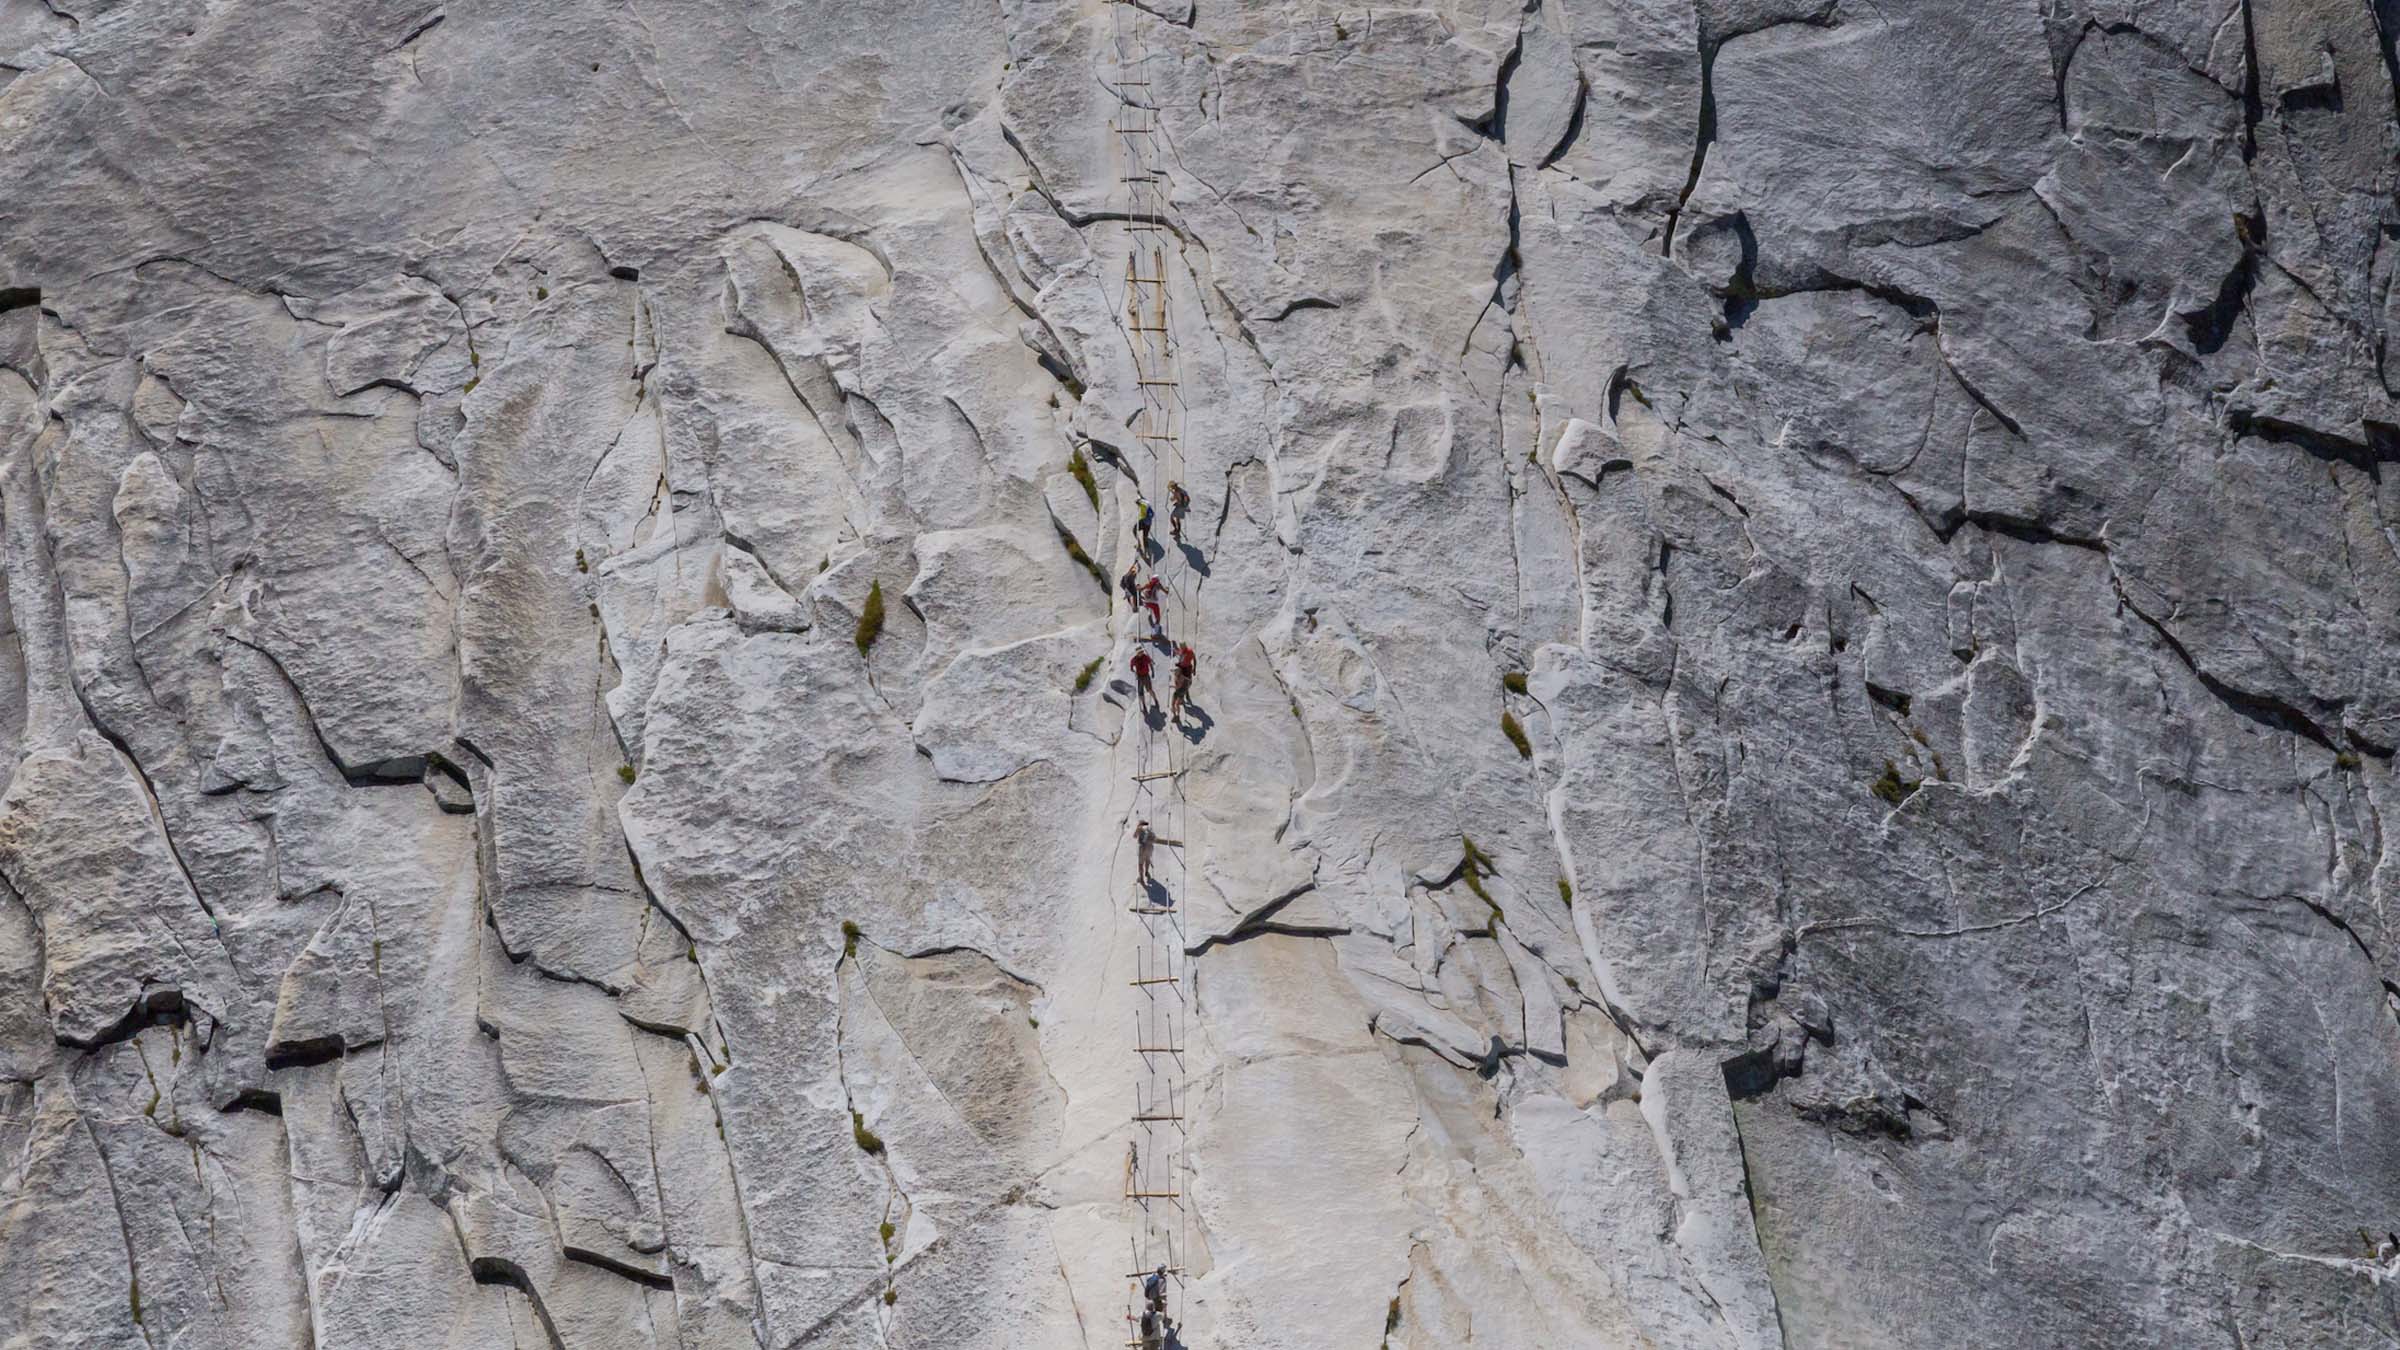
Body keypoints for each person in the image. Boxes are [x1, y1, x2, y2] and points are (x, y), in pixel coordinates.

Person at [1171, 643, 1196, 717]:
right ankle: (1184, 695)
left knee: (1184, 682)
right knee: (1183, 682)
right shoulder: (1183, 651)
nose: (1181, 648)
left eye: (1181, 647)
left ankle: (1183, 695)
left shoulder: (1189, 652)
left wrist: (1194, 669)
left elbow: (1193, 659)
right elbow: (1181, 657)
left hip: (1186, 669)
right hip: (1184, 668)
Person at [1135, 820, 1156, 886]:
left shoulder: (1140, 828)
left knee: (1140, 864)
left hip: (1142, 848)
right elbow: (1154, 838)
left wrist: (1137, 829)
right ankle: (1146, 872)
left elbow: (1134, 836)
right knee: (1147, 860)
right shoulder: (1150, 829)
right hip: (1150, 848)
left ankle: (1141, 879)